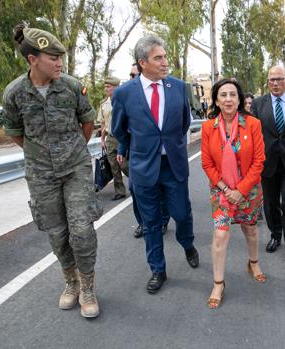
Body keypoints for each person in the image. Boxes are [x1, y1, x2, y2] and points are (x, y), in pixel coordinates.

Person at [2, 24, 102, 318]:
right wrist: (41, 156)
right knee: (57, 233)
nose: (59, 62)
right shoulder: (14, 93)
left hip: (76, 169)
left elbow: (87, 122)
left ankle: (88, 288)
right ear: (33, 59)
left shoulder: (71, 86)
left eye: (60, 57)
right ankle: (70, 282)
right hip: (41, 174)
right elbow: (15, 132)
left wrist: (70, 151)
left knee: (82, 230)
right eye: (52, 57)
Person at [112, 34, 199, 294]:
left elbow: (184, 123)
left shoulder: (178, 87)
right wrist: (141, 148)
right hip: (143, 168)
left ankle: (188, 244)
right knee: (151, 223)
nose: (164, 62)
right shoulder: (124, 93)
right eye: (158, 58)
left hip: (173, 165)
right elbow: (119, 129)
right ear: (143, 63)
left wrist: (168, 144)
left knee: (181, 214)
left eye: (165, 57)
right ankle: (158, 270)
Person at [201, 78, 266, 309]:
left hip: (248, 191)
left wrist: (241, 190)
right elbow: (207, 164)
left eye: (233, 95)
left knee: (250, 229)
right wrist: (227, 190)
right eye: (223, 95)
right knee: (220, 235)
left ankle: (253, 263)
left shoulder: (253, 124)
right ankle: (218, 283)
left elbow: (259, 161)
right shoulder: (209, 127)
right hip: (221, 192)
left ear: (239, 100)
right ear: (216, 101)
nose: (228, 99)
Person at [251, 65, 285, 263]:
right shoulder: (258, 104)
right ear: (268, 81)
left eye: (279, 79)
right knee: (270, 203)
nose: (275, 83)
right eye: (272, 79)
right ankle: (275, 235)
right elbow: (253, 136)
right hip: (267, 163)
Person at [118, 63, 170, 238]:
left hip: (159, 154)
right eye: (131, 75)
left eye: (135, 74)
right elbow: (121, 129)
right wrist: (122, 148)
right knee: (134, 189)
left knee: (160, 189)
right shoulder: (127, 95)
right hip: (137, 156)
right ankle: (143, 223)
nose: (133, 78)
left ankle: (162, 220)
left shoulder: (154, 92)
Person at [97, 76, 128, 200]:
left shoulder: (123, 101)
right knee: (113, 166)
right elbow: (103, 124)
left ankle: (140, 184)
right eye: (105, 86)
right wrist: (102, 140)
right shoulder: (104, 104)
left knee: (124, 165)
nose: (106, 89)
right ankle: (120, 191)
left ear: (115, 88)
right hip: (110, 137)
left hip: (121, 138)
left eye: (108, 87)